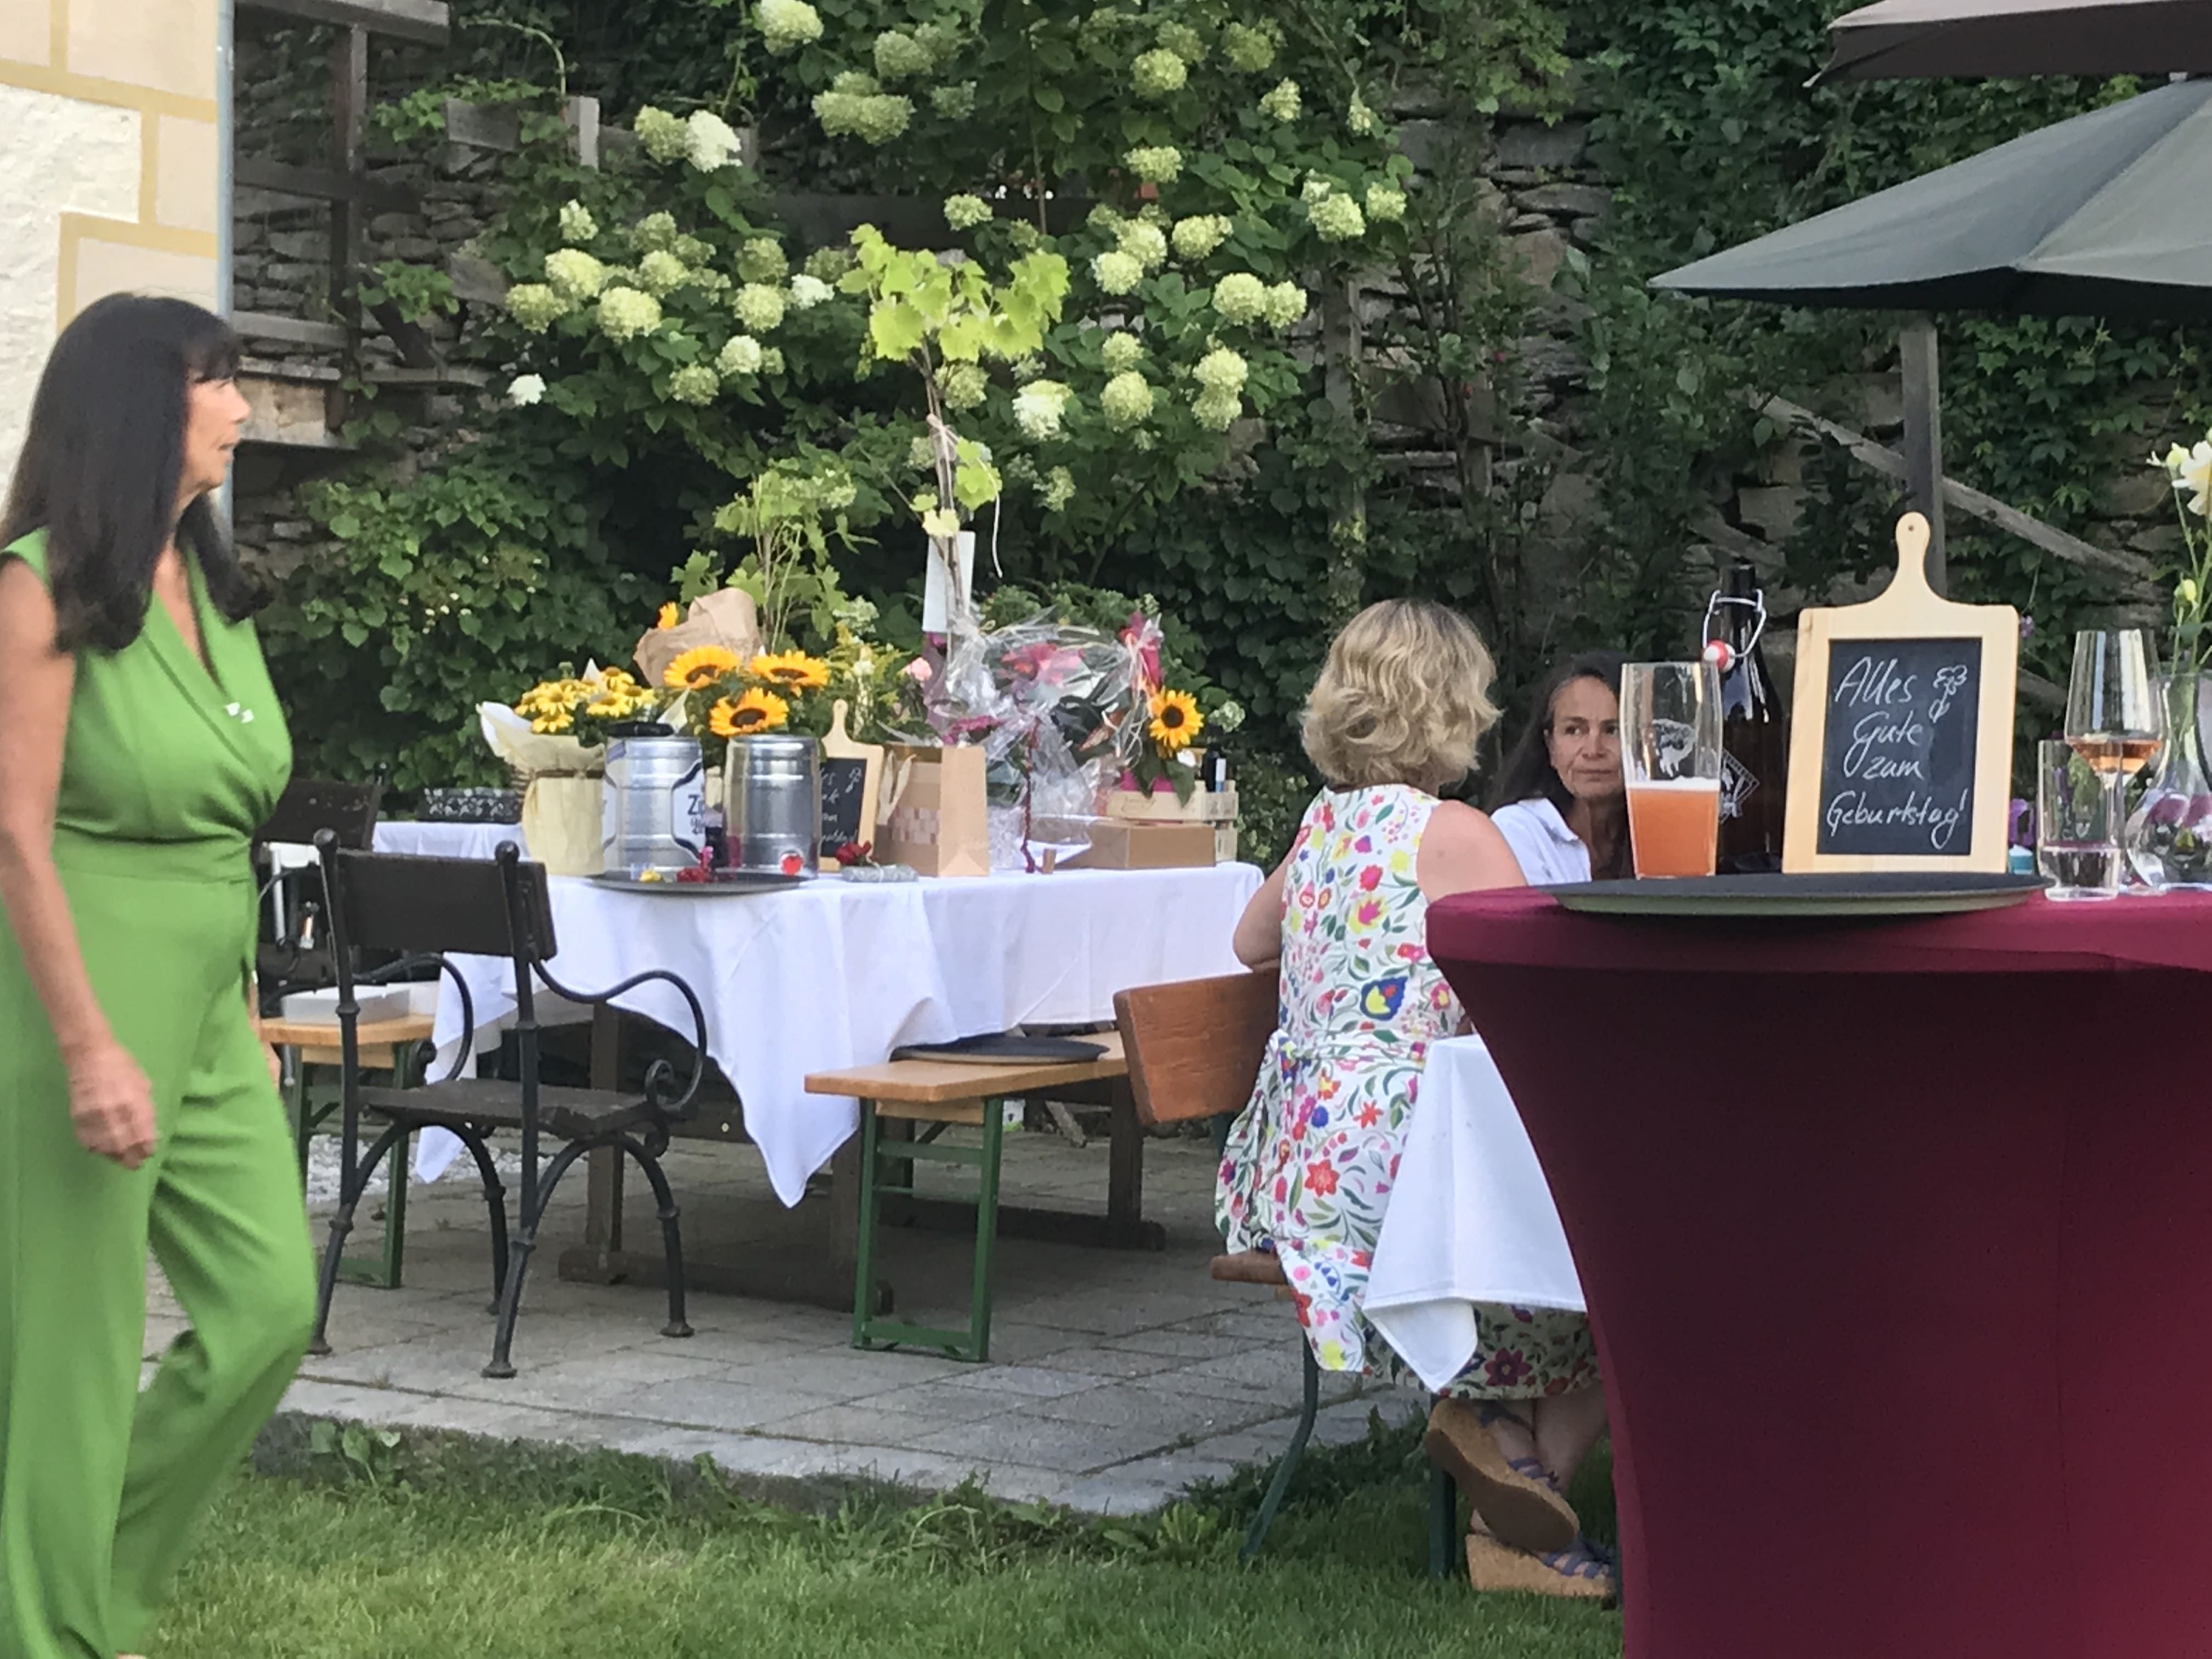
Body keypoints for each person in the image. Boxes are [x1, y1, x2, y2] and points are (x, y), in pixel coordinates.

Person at [0, 295, 317, 1659]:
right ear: (143, 406)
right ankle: (55, 1631)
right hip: (79, 982)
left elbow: (222, 826)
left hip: (205, 994)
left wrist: (241, 1014)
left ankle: (78, 1578)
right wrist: (85, 1046)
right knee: (69, 1358)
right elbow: (14, 834)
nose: (244, 408)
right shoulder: (36, 587)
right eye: (221, 382)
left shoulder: (214, 591)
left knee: (268, 1309)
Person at [1218, 600, 1612, 1596]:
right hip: (1408, 1169)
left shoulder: (1321, 824)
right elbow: (1546, 992)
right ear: (1453, 710)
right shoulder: (1457, 833)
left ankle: (1510, 1476)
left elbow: (1247, 942)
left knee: (1569, 1252)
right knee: (1621, 1271)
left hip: (1301, 1171)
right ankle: (1504, 1469)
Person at [1489, 650, 1629, 883]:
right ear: (1550, 746)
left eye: (1613, 730)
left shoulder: (1670, 833)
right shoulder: (1520, 831)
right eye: (1574, 730)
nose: (1593, 751)